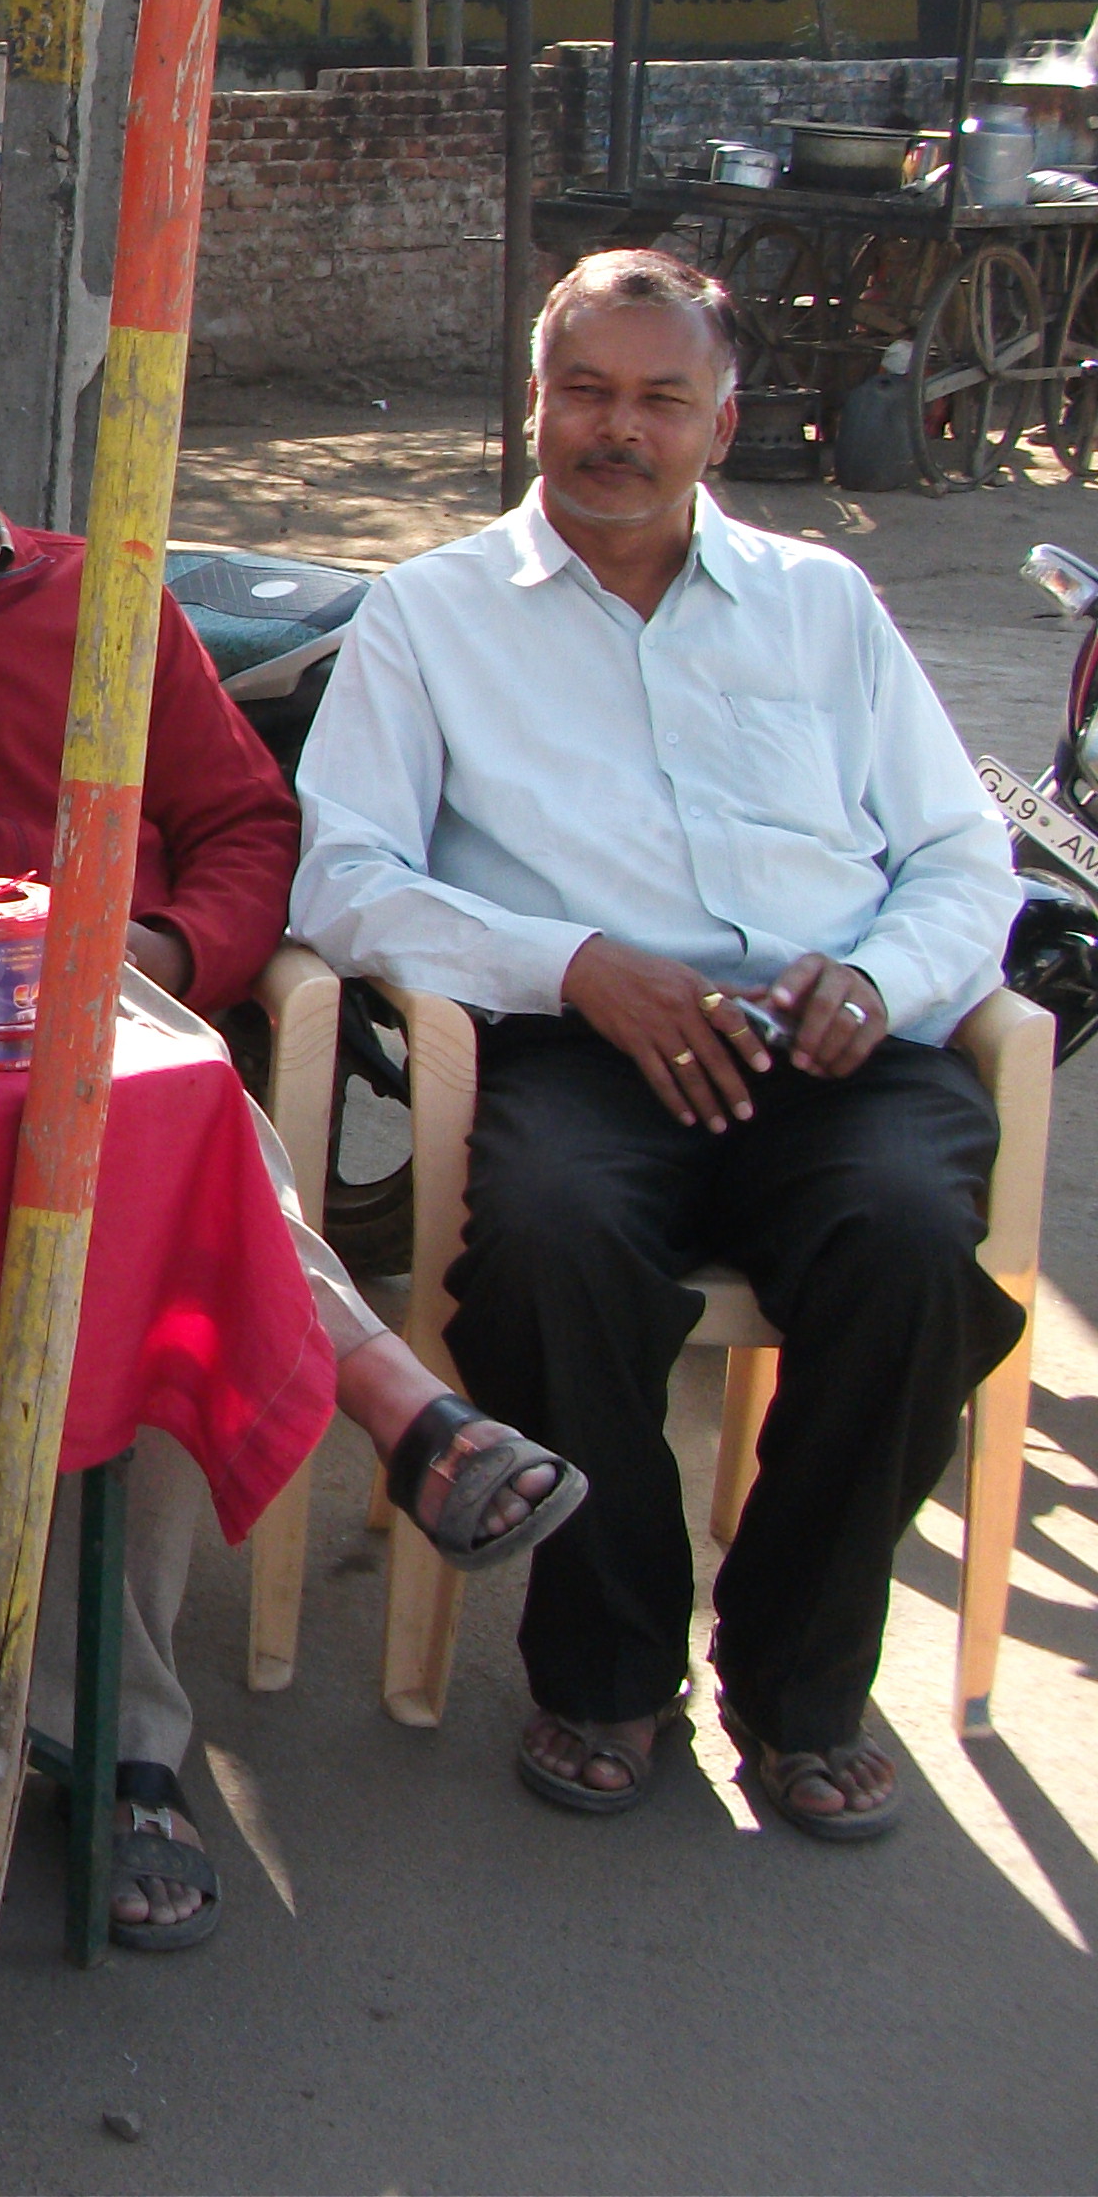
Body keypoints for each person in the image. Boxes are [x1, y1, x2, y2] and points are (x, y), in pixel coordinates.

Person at [0, 252, 583, 1946]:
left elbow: (248, 831)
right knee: (163, 1135)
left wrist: (153, 944)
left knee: (153, 1160)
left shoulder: (109, 599)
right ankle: (400, 1406)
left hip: (122, 1052)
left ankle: (132, 1753)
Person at [292, 248, 1022, 1842]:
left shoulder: (823, 603)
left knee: (909, 1246)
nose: (616, 431)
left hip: (828, 1049)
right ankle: (607, 1669)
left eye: (659, 400)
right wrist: (578, 965)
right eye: (587, 392)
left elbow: (964, 859)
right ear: (536, 401)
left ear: (720, 420)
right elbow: (343, 879)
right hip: (582, 1050)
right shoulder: (431, 613)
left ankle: (798, 1681)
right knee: (550, 1244)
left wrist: (882, 985)